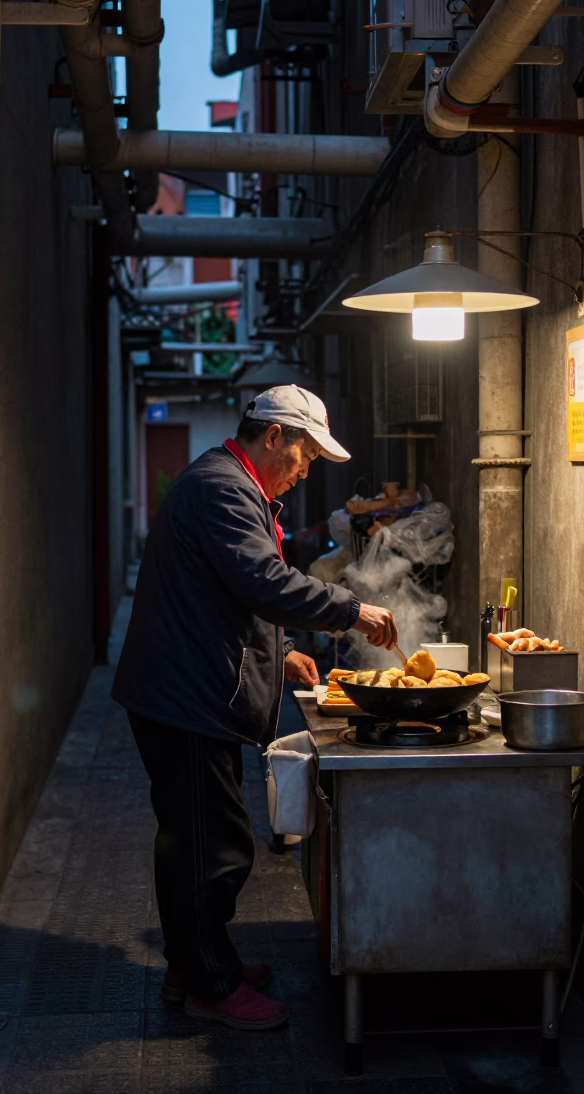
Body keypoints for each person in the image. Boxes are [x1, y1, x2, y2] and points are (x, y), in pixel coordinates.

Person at [112, 385, 397, 1030]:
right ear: (273, 437)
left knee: (199, 836)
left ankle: (197, 958)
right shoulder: (222, 488)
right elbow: (263, 582)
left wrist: (285, 650)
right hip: (180, 694)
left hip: (186, 688)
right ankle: (211, 982)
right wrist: (350, 608)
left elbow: (236, 593)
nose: (305, 471)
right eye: (304, 456)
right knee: (211, 843)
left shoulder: (236, 487)